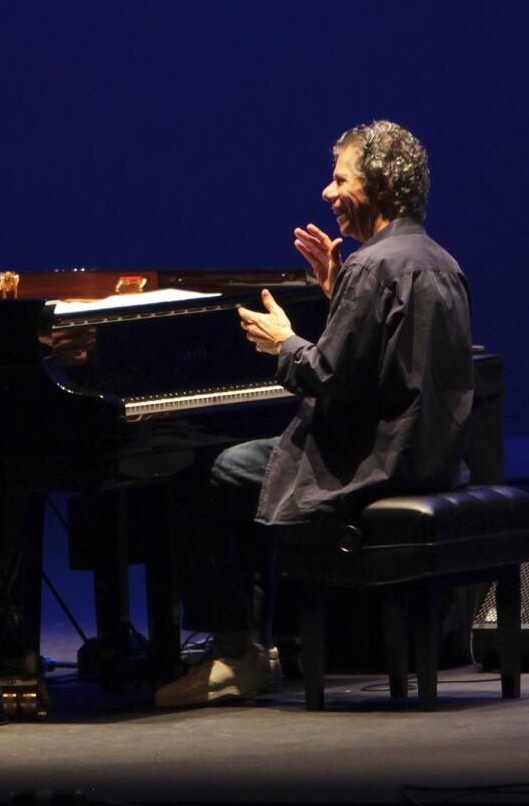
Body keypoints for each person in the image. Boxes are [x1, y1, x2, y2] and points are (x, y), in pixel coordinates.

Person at [155, 120, 474, 708]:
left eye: (339, 178)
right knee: (250, 469)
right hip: (429, 461)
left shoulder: (373, 265)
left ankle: (236, 650)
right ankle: (268, 638)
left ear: (384, 183)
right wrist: (336, 294)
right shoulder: (438, 260)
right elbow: (380, 360)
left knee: (202, 473)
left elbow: (325, 375)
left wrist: (282, 341)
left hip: (371, 464)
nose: (327, 193)